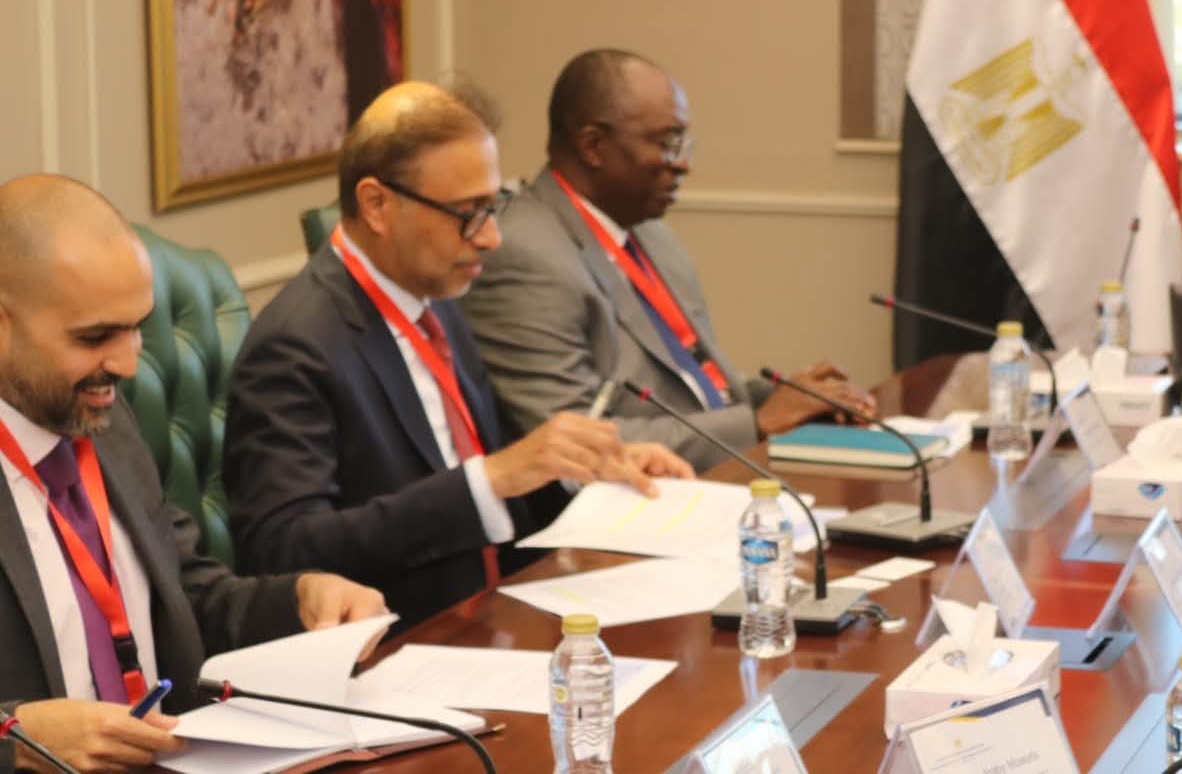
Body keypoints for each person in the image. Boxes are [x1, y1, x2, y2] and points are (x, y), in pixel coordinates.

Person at [224, 81, 691, 629]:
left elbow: (481, 481)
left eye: (494, 206)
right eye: (468, 213)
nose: (491, 237)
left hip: (497, 614)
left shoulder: (435, 298)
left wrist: (580, 471)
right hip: (405, 639)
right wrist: (487, 480)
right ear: (377, 205)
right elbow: (283, 550)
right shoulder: (296, 343)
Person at [0, 175, 387, 772]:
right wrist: (15, 739)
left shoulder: (105, 422)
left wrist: (299, 599)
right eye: (95, 337)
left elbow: (185, 597)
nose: (127, 363)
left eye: (137, 327)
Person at [460, 49, 877, 472]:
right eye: (666, 143)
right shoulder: (525, 254)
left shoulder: (650, 234)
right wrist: (756, 423)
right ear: (593, 146)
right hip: (621, 500)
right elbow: (572, 443)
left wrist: (788, 399)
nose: (683, 164)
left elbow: (698, 384)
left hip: (704, 474)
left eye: (683, 143)